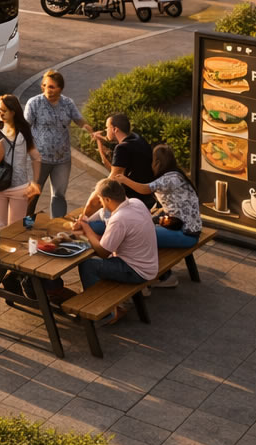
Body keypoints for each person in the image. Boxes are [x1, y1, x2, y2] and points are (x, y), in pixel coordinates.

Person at [63, 179, 160, 324]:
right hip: (149, 265)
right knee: (95, 252)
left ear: (107, 199)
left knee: (88, 265)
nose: (100, 203)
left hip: (136, 271)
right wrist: (85, 223)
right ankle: (99, 302)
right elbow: (103, 222)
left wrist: (86, 229)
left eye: (101, 199)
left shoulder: (119, 219)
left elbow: (103, 252)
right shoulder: (136, 203)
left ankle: (103, 313)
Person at [99, 144, 202, 263]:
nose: (151, 164)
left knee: (139, 235)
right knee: (141, 229)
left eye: (152, 161)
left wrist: (124, 179)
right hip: (184, 228)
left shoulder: (170, 178)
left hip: (186, 234)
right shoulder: (175, 175)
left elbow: (145, 189)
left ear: (157, 162)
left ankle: (152, 271)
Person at [24, 69, 90, 218]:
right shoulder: (34, 103)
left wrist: (89, 130)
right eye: (45, 86)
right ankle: (26, 226)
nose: (48, 90)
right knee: (32, 195)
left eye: (52, 87)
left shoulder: (68, 103)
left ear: (60, 88)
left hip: (62, 160)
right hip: (39, 160)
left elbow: (79, 120)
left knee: (59, 195)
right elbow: (24, 128)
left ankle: (57, 225)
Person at [0, 94, 42, 225]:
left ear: (13, 112)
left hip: (19, 187)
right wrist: (0, 140)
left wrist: (35, 182)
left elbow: (36, 157)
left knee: (16, 227)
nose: (0, 112)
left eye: (4, 110)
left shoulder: (24, 131)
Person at [90, 112, 158, 210]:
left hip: (135, 199)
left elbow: (112, 179)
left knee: (99, 205)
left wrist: (95, 197)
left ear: (115, 129)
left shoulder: (122, 148)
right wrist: (100, 141)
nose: (105, 130)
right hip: (149, 194)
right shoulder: (137, 138)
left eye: (107, 127)